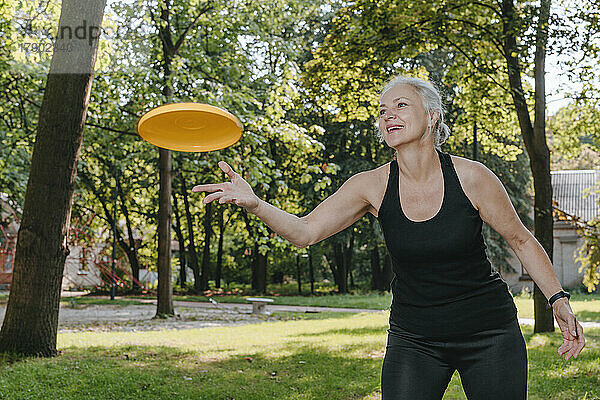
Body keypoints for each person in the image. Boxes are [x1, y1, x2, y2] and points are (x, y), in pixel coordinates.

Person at [192, 75, 586, 399]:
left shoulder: (473, 177)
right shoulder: (371, 186)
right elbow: (306, 231)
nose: (388, 115)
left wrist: (558, 300)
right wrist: (256, 203)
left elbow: (521, 240)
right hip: (415, 338)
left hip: (489, 333)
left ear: (432, 117)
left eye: (400, 105)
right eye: (382, 110)